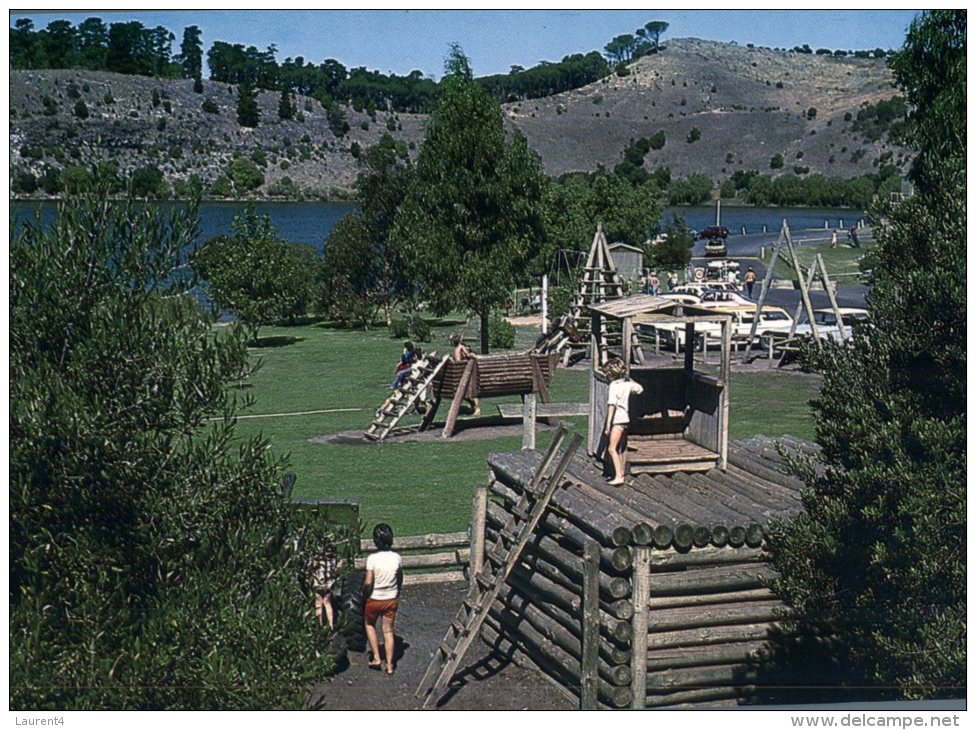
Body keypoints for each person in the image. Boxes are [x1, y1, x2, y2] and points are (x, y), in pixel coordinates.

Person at [362, 523, 402, 675]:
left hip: (375, 598)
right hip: (391, 598)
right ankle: (390, 665)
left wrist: (364, 593)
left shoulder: (372, 559)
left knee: (370, 624)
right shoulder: (397, 557)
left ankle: (377, 657)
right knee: (388, 631)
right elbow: (399, 577)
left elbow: (368, 582)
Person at [603, 357, 644, 487]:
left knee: (611, 449)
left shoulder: (613, 386)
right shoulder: (627, 384)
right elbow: (639, 389)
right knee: (619, 448)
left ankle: (619, 476)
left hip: (617, 420)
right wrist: (630, 380)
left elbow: (611, 405)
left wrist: (608, 424)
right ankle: (619, 473)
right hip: (625, 419)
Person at [312, 537, 339, 629]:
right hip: (328, 584)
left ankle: (319, 624)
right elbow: (334, 569)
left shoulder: (316, 559)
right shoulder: (331, 559)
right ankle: (331, 624)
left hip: (318, 583)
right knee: (328, 603)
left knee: (318, 604)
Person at [451, 333, 480, 416]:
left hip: (457, 373)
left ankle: (473, 407)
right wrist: (475, 357)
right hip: (463, 371)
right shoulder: (461, 347)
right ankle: (476, 408)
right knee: (473, 390)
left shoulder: (455, 349)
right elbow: (468, 354)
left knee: (467, 393)